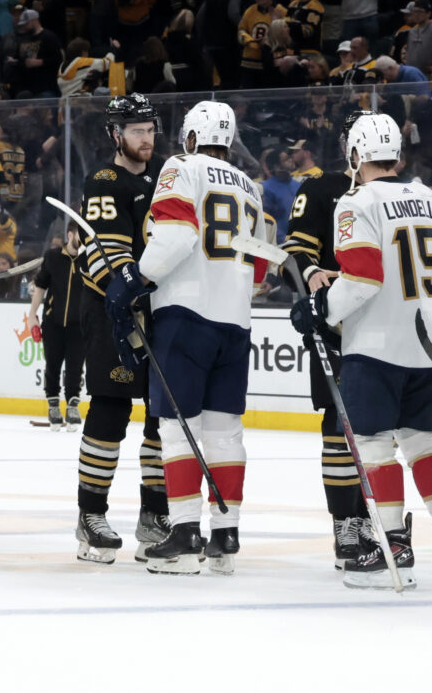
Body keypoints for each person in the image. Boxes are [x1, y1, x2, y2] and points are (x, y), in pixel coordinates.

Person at [289, 112, 432, 590]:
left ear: (355, 156)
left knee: (374, 446)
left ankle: (393, 545)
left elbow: (364, 276)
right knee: (424, 441)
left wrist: (321, 307)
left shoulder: (356, 201)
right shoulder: (431, 199)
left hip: (374, 347)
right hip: (428, 346)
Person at [105, 100, 267, 575]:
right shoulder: (251, 188)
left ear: (191, 138)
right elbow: (258, 269)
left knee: (178, 428)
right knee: (224, 432)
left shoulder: (181, 166)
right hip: (235, 320)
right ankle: (226, 533)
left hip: (186, 314)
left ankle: (183, 533)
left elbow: (175, 238)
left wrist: (134, 279)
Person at [73, 93, 169, 564]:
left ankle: (155, 515)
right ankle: (90, 515)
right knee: (110, 409)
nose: (146, 138)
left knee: (160, 415)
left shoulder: (165, 176)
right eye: (136, 131)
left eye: (150, 130)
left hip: (158, 310)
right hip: (113, 311)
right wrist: (123, 292)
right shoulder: (104, 181)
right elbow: (110, 259)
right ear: (116, 135)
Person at [281, 110, 367, 569]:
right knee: (338, 425)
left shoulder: (401, 193)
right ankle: (345, 524)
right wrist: (312, 272)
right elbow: (292, 250)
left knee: (378, 427)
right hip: (336, 325)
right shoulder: (318, 188)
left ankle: (374, 517)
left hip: (385, 325)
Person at [28, 222, 84, 431]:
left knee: (75, 368)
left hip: (79, 325)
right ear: (70, 234)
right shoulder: (52, 257)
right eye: (80, 234)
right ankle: (53, 403)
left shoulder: (87, 260)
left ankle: (72, 405)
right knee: (52, 365)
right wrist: (32, 314)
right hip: (53, 322)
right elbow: (41, 286)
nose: (83, 238)